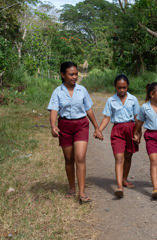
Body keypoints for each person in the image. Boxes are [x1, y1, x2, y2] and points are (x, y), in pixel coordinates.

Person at [48, 61, 102, 204]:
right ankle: (72, 188)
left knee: (80, 157)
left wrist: (97, 127)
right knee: (69, 159)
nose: (74, 77)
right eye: (71, 74)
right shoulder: (57, 92)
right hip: (65, 126)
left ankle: (82, 192)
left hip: (81, 125)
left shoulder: (82, 90)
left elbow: (89, 109)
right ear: (63, 75)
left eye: (76, 74)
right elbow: (54, 110)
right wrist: (53, 125)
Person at [97, 74, 140, 198]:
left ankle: (124, 179)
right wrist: (99, 130)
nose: (122, 90)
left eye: (124, 88)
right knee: (119, 157)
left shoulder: (133, 100)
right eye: (119, 88)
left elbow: (138, 118)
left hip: (131, 129)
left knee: (128, 155)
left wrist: (138, 134)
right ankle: (119, 186)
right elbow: (106, 117)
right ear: (115, 87)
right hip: (117, 131)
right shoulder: (111, 101)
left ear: (127, 87)